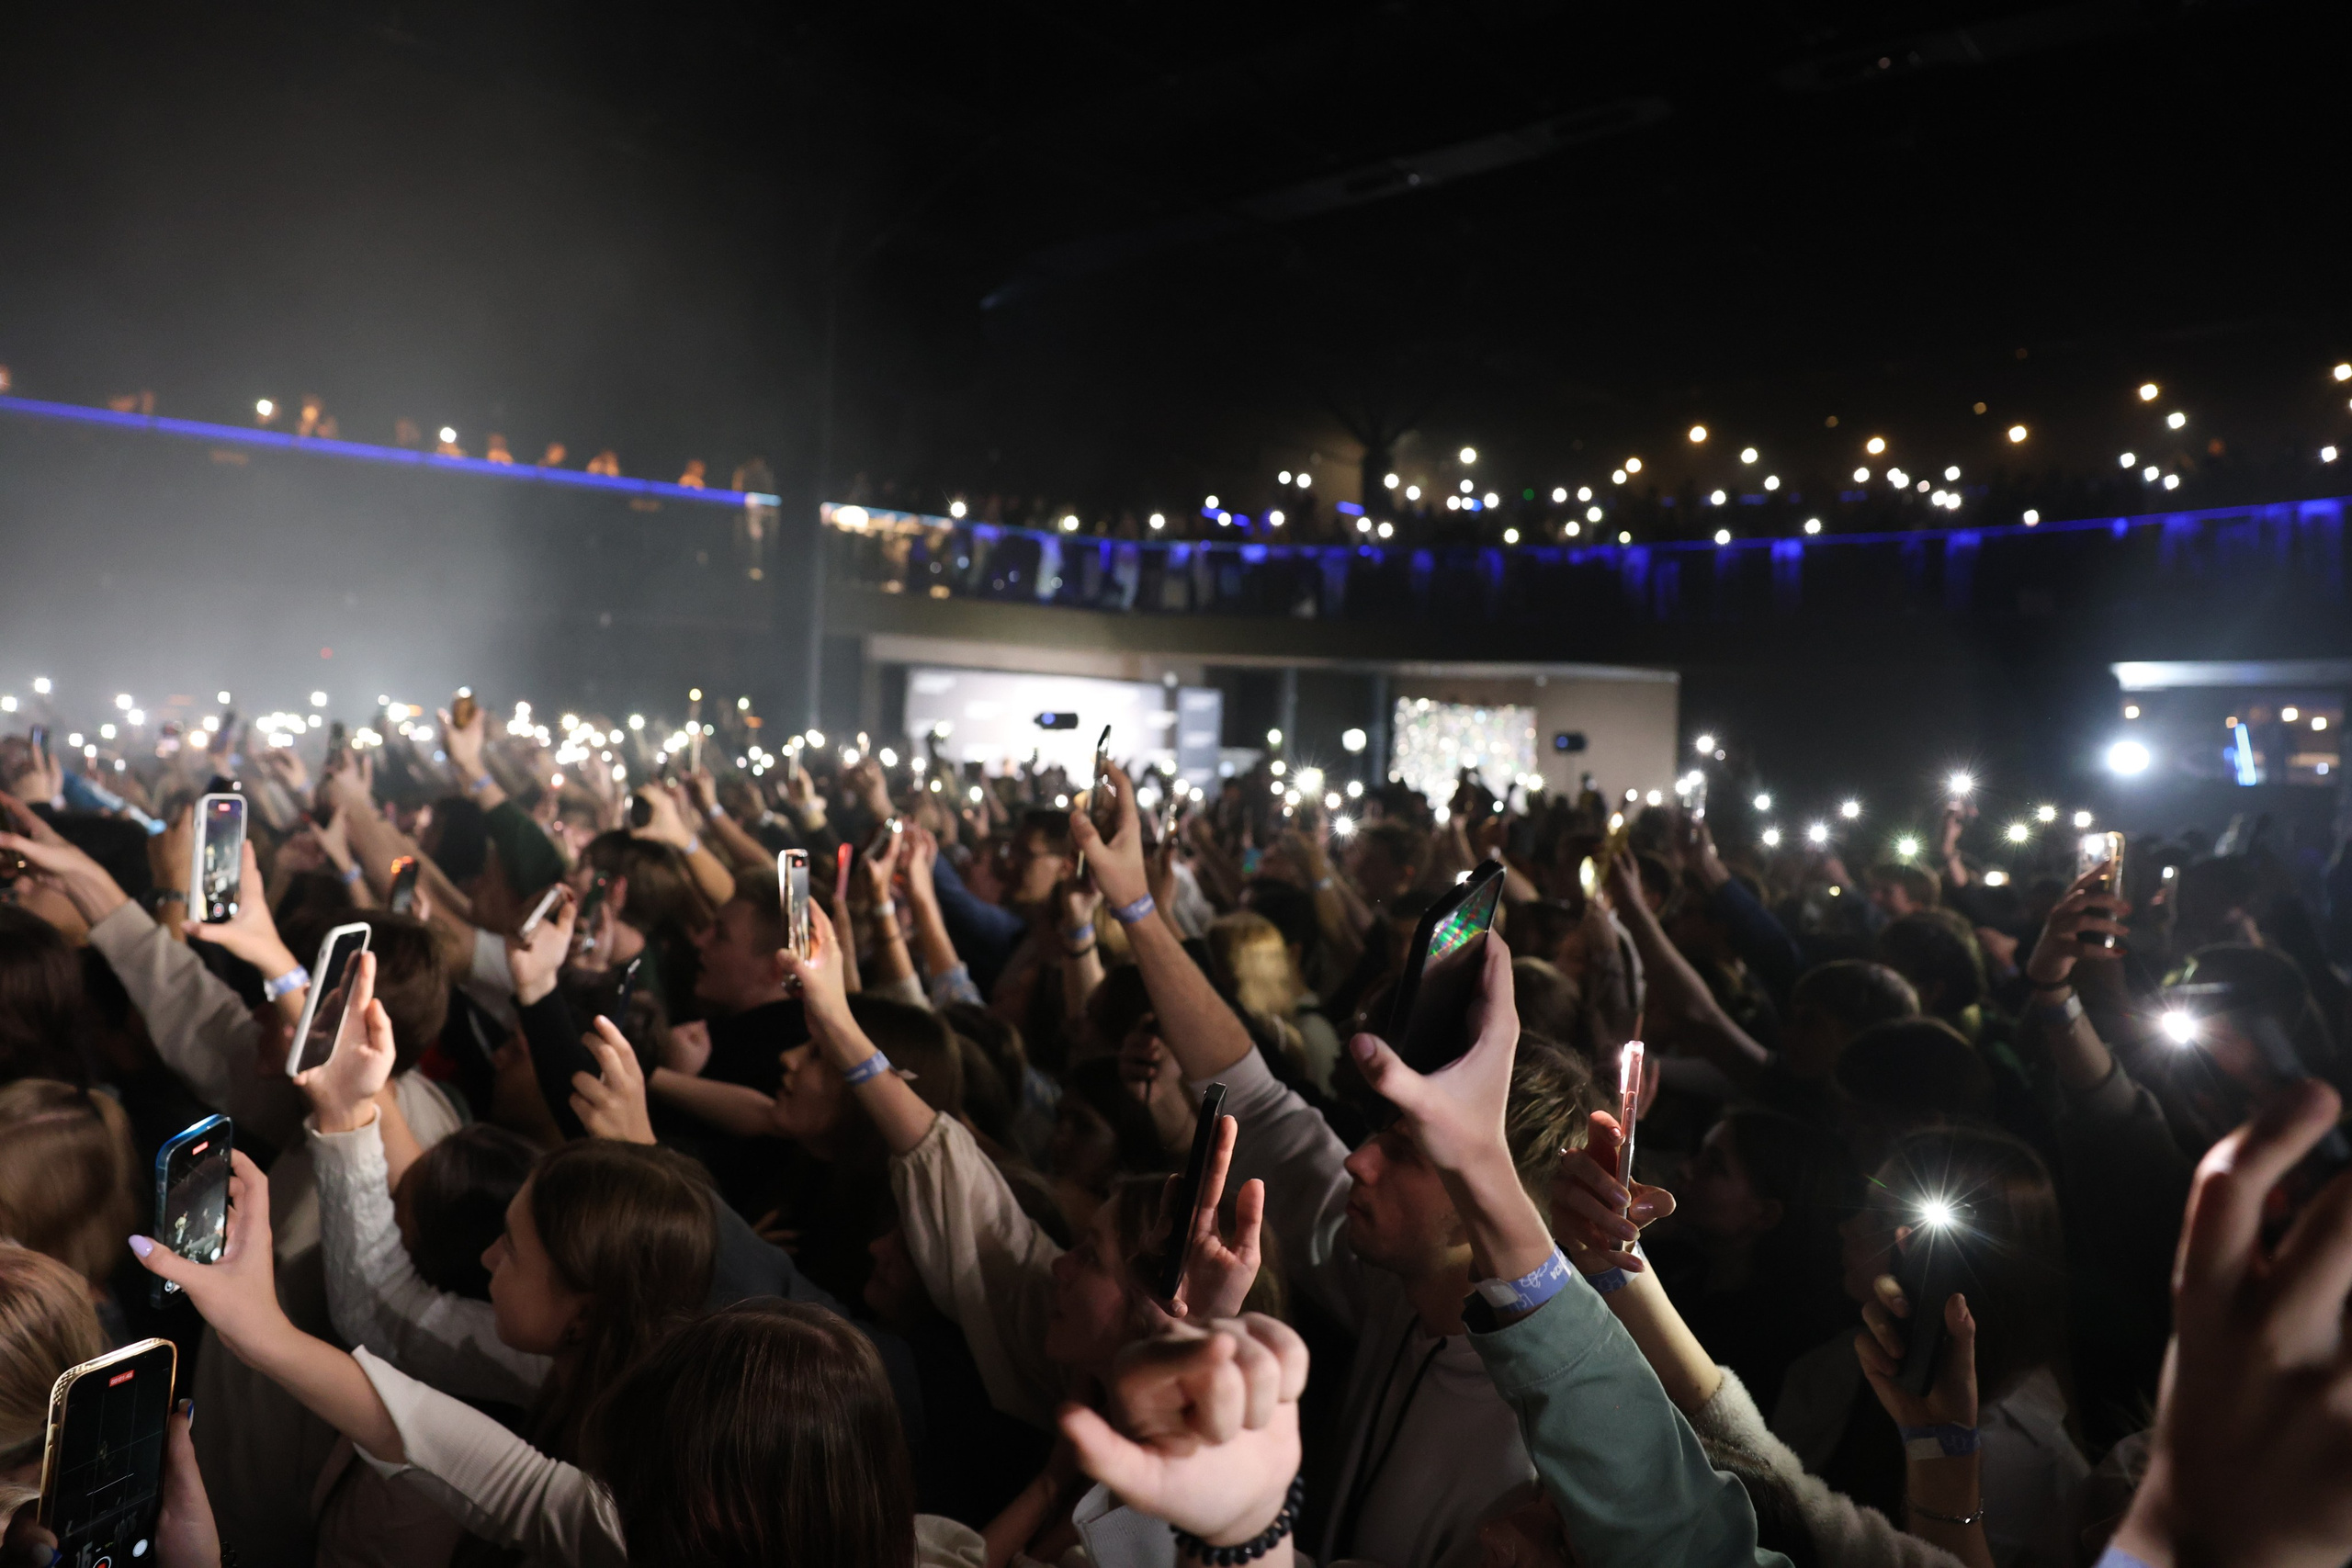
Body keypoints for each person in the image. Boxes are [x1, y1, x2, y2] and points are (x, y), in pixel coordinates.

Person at [1073, 761, 1599, 1568]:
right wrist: (1136, 905)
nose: (1359, 1161)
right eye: (1377, 1133)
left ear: (1486, 1182)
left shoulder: (1532, 1445)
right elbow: (1250, 1088)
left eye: (1405, 1151)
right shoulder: (1395, 1279)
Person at [1773, 1127, 2086, 1568]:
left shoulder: (2015, 1453)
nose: (1848, 1227)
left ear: (1961, 1260)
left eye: (1881, 1218)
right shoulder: (1850, 1359)